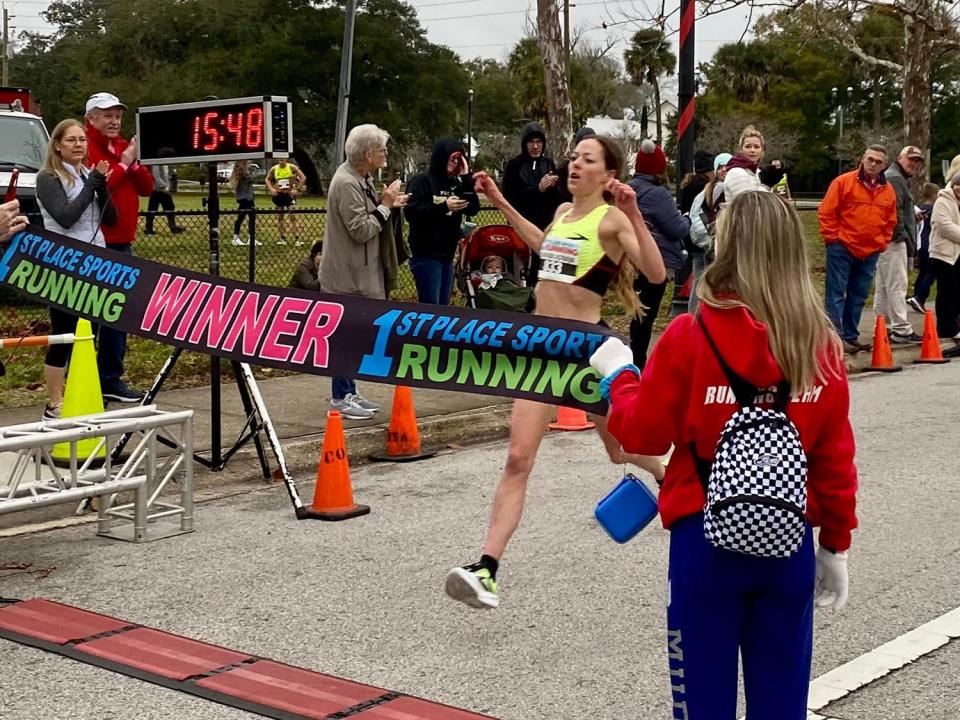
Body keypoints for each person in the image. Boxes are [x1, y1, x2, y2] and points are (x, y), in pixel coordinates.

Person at [590, 190, 857, 720]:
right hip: (787, 537)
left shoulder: (692, 334)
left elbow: (643, 432)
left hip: (703, 537)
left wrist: (620, 376)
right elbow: (833, 459)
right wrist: (836, 544)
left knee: (702, 700)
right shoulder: (819, 344)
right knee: (782, 701)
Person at [445, 135, 667, 610]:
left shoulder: (611, 219)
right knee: (518, 458)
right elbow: (544, 246)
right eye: (574, 157)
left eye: (587, 160)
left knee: (621, 449)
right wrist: (500, 202)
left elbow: (655, 274)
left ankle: (669, 474)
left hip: (588, 351)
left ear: (608, 175)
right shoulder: (565, 213)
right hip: (544, 349)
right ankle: (486, 567)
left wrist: (633, 215)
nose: (574, 165)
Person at [319, 124, 408, 420]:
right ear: (368, 154)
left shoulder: (361, 178)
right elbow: (361, 230)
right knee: (345, 338)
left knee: (356, 337)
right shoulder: (346, 183)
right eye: (382, 149)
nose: (385, 154)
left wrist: (389, 204)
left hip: (360, 274)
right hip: (346, 276)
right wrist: (384, 207)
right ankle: (339, 397)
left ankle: (349, 391)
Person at [35, 119, 117, 420]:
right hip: (64, 264)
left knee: (89, 334)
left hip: (96, 263)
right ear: (57, 144)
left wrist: (101, 186)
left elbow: (110, 219)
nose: (78, 145)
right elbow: (66, 217)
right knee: (64, 333)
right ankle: (54, 402)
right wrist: (93, 183)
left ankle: (82, 392)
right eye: (71, 140)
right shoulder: (47, 178)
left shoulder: (87, 174)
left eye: (82, 140)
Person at [84, 91, 152, 403]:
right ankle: (90, 377)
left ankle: (110, 377)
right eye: (106, 114)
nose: (113, 120)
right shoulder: (85, 146)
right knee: (96, 313)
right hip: (96, 240)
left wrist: (133, 165)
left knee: (118, 312)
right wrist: (125, 165)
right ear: (91, 119)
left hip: (123, 240)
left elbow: (148, 187)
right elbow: (99, 187)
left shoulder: (125, 147)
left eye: (117, 115)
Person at [817, 144, 897, 354]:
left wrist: (881, 243)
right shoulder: (843, 182)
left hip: (870, 251)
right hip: (842, 247)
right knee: (836, 293)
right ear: (863, 158)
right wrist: (833, 239)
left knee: (858, 295)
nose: (872, 164)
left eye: (878, 162)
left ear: (884, 165)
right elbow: (826, 212)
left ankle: (851, 336)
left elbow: (890, 220)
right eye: (870, 159)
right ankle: (836, 337)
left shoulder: (888, 191)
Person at [627, 139, 691, 369]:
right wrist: (687, 219)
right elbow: (676, 229)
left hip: (630, 259)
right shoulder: (657, 194)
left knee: (637, 313)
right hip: (655, 261)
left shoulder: (629, 187)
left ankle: (633, 358)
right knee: (645, 315)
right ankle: (638, 364)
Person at [404, 138, 479, 304]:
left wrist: (466, 178)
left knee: (444, 308)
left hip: (448, 254)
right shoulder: (421, 181)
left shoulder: (456, 185)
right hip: (426, 254)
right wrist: (444, 207)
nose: (455, 163)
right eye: (452, 159)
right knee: (432, 306)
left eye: (459, 160)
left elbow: (472, 208)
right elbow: (412, 213)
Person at [874, 146, 925, 344]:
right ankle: (901, 329)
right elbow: (893, 211)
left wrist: (913, 216)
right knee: (897, 285)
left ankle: (884, 326)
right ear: (899, 158)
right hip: (893, 241)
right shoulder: (895, 178)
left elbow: (901, 209)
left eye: (917, 161)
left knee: (885, 286)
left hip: (887, 240)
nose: (913, 163)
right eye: (910, 159)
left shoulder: (897, 177)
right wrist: (900, 235)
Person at [502, 122, 561, 284]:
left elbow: (555, 199)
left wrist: (554, 186)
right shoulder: (515, 165)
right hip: (521, 226)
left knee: (542, 270)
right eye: (531, 142)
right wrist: (538, 189)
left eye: (539, 142)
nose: (535, 147)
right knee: (520, 269)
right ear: (524, 144)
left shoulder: (548, 164)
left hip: (544, 228)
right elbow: (510, 196)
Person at [687, 152, 732, 314]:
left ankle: (695, 318)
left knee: (699, 284)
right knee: (707, 284)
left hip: (704, 243)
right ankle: (699, 318)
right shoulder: (715, 190)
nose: (724, 170)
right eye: (720, 167)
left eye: (728, 166)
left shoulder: (710, 188)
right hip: (712, 244)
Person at [930, 174, 960, 342]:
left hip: (957, 254)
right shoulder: (943, 201)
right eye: (958, 184)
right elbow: (945, 227)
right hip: (943, 254)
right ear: (953, 185)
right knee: (946, 292)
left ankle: (955, 324)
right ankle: (945, 329)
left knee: (957, 292)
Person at [907, 182, 940, 314]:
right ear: (934, 195)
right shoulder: (934, 209)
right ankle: (920, 297)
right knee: (932, 271)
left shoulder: (919, 208)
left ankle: (917, 296)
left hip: (920, 244)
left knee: (923, 271)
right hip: (930, 243)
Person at [265, 158, 307, 246]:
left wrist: (296, 189)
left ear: (286, 159)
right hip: (279, 194)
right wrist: (272, 189)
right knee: (280, 216)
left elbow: (303, 178)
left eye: (283, 159)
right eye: (280, 159)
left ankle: (297, 239)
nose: (281, 160)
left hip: (289, 194)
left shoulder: (292, 167)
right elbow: (267, 179)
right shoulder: (274, 169)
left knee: (293, 215)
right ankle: (282, 238)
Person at [723, 126, 765, 200]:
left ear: (762, 150)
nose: (752, 150)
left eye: (756, 147)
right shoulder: (736, 172)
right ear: (741, 149)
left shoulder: (756, 171)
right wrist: (766, 185)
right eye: (748, 146)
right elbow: (748, 204)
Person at [144, 164, 184, 235]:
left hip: (160, 189)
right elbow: (155, 174)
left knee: (154, 208)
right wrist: (162, 185)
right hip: (159, 189)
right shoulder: (157, 161)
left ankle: (149, 228)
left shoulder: (164, 162)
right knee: (166, 207)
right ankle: (172, 227)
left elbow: (164, 175)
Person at [230, 160, 259, 246]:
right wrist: (253, 169)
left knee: (247, 217)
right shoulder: (243, 174)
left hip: (246, 197)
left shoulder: (241, 173)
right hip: (246, 198)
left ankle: (249, 237)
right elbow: (252, 178)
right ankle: (237, 237)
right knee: (244, 217)